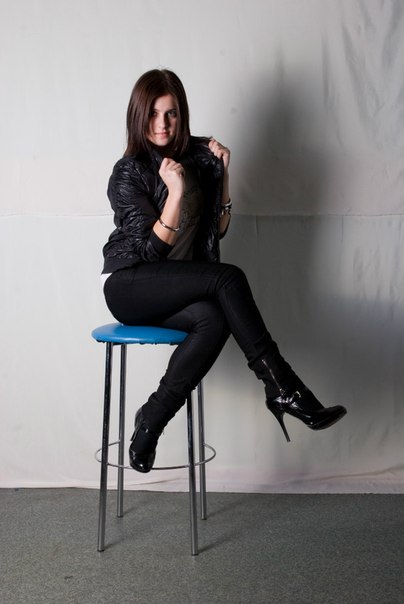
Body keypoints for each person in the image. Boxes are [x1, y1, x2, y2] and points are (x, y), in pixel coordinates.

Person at [101, 69, 346, 473]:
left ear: (182, 115)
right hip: (130, 283)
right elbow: (151, 251)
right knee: (228, 278)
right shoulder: (128, 172)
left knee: (213, 319)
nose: (162, 124)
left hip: (175, 287)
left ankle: (150, 422)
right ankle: (283, 386)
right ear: (138, 116)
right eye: (153, 114)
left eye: (171, 113)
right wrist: (175, 192)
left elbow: (216, 231)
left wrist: (223, 173)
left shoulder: (199, 157)